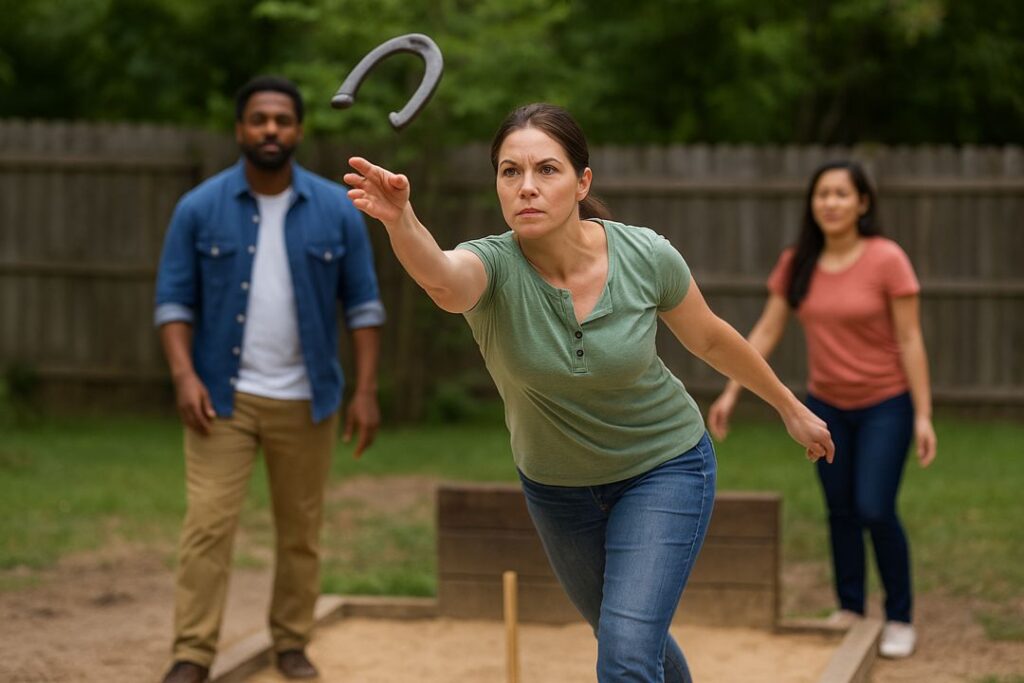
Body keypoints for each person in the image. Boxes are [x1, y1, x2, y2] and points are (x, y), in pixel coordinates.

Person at [343, 102, 833, 683]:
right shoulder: (492, 266)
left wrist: (789, 406)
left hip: (664, 466)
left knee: (626, 650)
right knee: (625, 637)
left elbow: (711, 339)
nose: (527, 187)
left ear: (582, 182)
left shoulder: (646, 255)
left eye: (546, 170)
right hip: (558, 492)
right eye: (509, 172)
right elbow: (442, 281)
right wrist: (402, 221)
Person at [153, 76, 386, 683]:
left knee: (301, 532)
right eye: (259, 120)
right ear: (240, 130)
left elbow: (363, 305)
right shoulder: (198, 208)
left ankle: (291, 643)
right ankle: (192, 654)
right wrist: (183, 377)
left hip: (308, 400)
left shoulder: (336, 209)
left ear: (299, 131)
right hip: (220, 399)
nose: (271, 130)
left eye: (282, 120)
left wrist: (364, 390)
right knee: (207, 526)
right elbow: (173, 302)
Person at [707, 160, 937, 659]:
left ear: (862, 203)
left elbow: (911, 337)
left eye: (841, 193)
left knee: (875, 507)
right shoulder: (798, 262)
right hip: (825, 406)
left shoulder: (887, 259)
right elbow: (766, 330)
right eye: (822, 194)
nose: (830, 202)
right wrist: (730, 392)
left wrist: (922, 414)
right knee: (840, 510)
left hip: (886, 405)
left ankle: (899, 617)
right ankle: (850, 608)